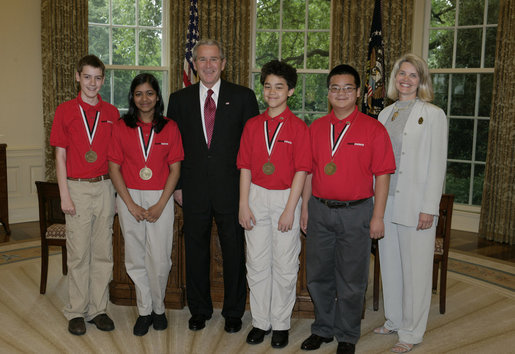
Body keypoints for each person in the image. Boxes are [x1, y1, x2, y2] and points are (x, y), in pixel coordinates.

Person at [299, 64, 395, 354]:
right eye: (335, 88)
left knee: (351, 278)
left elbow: (383, 176)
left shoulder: (374, 129)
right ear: (328, 92)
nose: (341, 93)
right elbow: (310, 172)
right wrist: (304, 209)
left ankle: (347, 335)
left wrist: (378, 215)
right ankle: (323, 329)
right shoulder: (315, 128)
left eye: (348, 88)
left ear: (359, 92)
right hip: (319, 209)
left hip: (357, 213)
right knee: (317, 275)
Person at [166, 39, 259, 333]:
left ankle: (233, 311)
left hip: (231, 189)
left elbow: (253, 147)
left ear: (223, 63)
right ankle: (200, 309)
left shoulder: (243, 97)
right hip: (192, 189)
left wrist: (248, 191)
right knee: (195, 251)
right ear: (194, 64)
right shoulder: (179, 99)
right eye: (202, 60)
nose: (208, 65)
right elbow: (173, 148)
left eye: (214, 59)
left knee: (233, 251)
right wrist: (178, 185)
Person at [374, 53, 448, 353]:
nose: (405, 79)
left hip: (416, 205)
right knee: (390, 265)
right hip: (386, 202)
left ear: (422, 81)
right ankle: (393, 319)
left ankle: (411, 332)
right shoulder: (384, 114)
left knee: (415, 271)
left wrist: (430, 207)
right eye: (401, 74)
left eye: (412, 75)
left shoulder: (433, 115)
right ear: (394, 78)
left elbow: (437, 164)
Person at [237, 60, 311, 349]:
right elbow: (244, 166)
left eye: (279, 87)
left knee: (284, 265)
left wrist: (290, 209)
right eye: (268, 86)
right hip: (255, 194)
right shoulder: (252, 125)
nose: (272, 92)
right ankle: (260, 321)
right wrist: (243, 204)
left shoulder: (298, 127)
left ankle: (280, 323)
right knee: (255, 263)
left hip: (285, 197)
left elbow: (301, 171)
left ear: (290, 91)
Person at [108, 73, 183, 336]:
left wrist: (162, 204)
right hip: (130, 197)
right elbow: (114, 168)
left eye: (149, 93)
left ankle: (159, 308)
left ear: (157, 96)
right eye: (138, 93)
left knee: (160, 259)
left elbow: (175, 169)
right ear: (132, 97)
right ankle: (144, 310)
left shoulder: (170, 127)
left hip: (160, 197)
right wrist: (129, 204)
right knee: (135, 257)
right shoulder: (120, 126)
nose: (144, 99)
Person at [50, 54, 119, 335]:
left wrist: (115, 195)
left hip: (104, 186)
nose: (93, 83)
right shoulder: (65, 110)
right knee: (78, 253)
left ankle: (98, 309)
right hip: (76, 186)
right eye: (87, 76)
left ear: (103, 79)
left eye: (98, 77)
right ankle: (76, 311)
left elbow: (117, 158)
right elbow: (60, 156)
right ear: (78, 77)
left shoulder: (112, 113)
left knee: (103, 252)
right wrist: (64, 194)